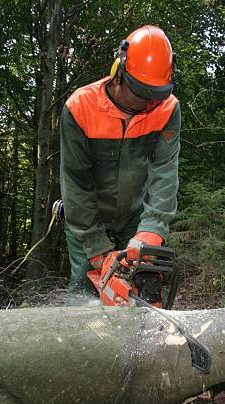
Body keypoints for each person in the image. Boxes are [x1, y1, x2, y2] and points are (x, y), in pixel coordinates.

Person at [59, 25, 181, 304]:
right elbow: (76, 183)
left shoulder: (167, 109)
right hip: (86, 219)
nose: (149, 102)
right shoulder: (80, 108)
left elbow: (165, 172)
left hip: (136, 216)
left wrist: (152, 229)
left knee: (143, 292)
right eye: (141, 92)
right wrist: (97, 249)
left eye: (156, 94)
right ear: (119, 72)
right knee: (85, 295)